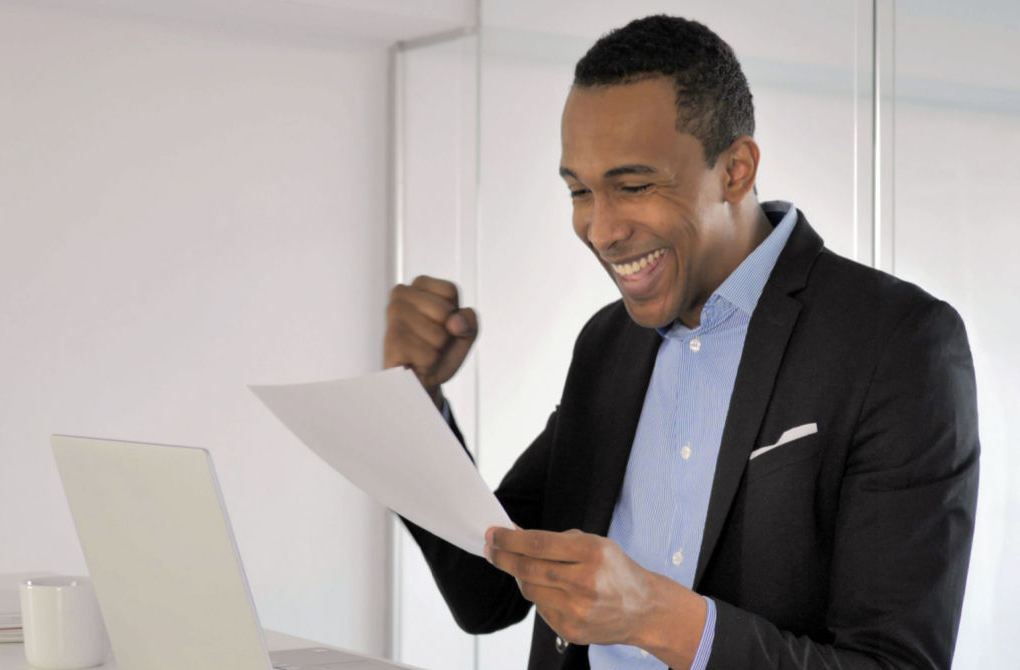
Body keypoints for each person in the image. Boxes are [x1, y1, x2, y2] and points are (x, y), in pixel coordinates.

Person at [382, 15, 978, 670]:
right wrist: (413, 404)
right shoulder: (607, 344)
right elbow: (487, 589)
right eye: (579, 190)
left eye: (633, 186)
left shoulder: (898, 342)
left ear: (736, 171)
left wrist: (661, 620)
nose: (600, 229)